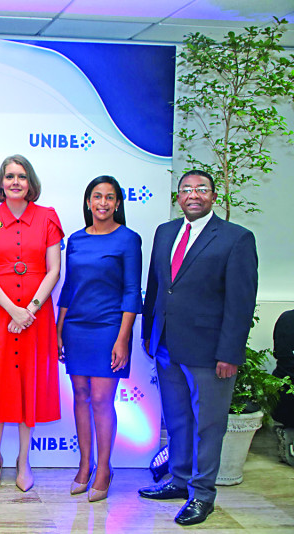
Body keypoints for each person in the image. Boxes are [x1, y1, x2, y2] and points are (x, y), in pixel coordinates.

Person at [139, 170, 258, 526]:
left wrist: (230, 354)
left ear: (213, 196)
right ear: (178, 196)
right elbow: (157, 288)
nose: (194, 194)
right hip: (167, 347)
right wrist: (149, 335)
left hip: (210, 353)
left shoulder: (236, 238)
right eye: (187, 189)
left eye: (201, 189)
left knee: (209, 425)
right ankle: (178, 480)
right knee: (177, 420)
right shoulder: (166, 233)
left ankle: (203, 494)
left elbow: (241, 303)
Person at [0, 154, 63, 492]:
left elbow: (54, 269)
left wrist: (31, 308)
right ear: (1, 182)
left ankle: (24, 458)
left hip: (36, 317)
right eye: (9, 176)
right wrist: (13, 310)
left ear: (30, 181)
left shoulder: (48, 218)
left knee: (28, 385)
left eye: (21, 176)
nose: (15, 182)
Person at [56, 175, 142, 502]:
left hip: (110, 328)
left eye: (109, 197)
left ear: (118, 203)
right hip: (76, 327)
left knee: (103, 399)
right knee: (80, 394)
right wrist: (58, 328)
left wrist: (123, 339)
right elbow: (68, 288)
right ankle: (84, 464)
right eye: (97, 196)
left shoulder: (128, 239)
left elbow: (133, 292)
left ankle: (104, 469)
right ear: (88, 202)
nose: (103, 203)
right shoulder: (76, 240)